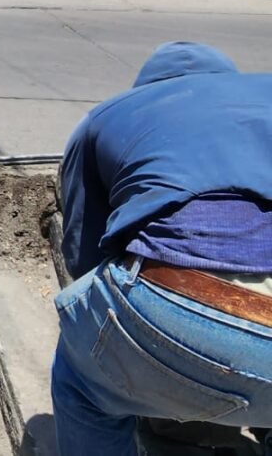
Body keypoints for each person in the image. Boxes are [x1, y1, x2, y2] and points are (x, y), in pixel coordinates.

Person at [52, 41, 272, 456]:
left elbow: (83, 256)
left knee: (82, 379)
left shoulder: (108, 116)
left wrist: (141, 364)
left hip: (187, 302)